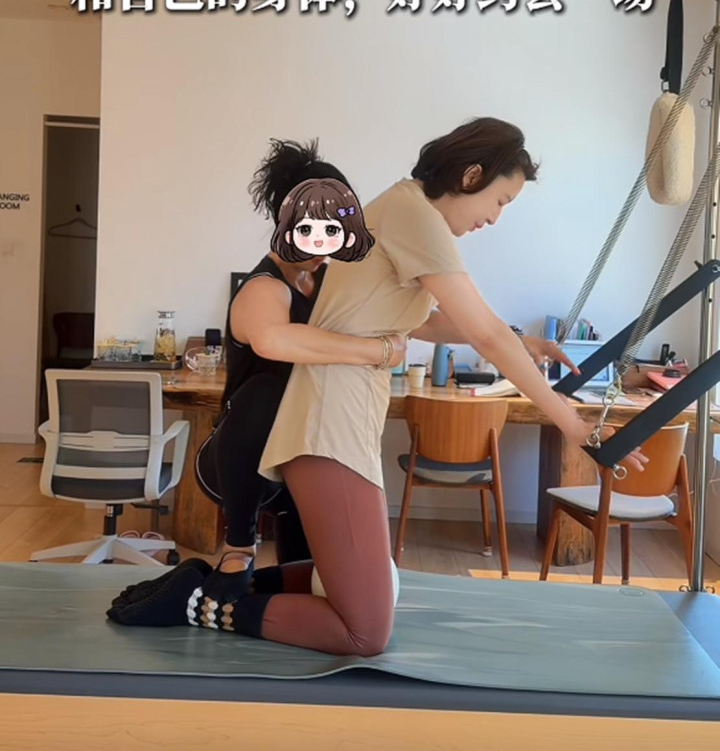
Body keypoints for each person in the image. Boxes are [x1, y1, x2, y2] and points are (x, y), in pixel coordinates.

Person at [178, 117, 647, 654]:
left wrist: (524, 343)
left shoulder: (403, 214)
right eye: (500, 201)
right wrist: (572, 423)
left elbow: (429, 322)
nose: (496, 217)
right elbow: (485, 334)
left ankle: (211, 588)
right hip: (329, 422)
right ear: (471, 175)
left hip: (342, 419)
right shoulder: (412, 214)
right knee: (365, 631)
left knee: (367, 591)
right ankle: (198, 604)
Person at [108, 140, 405, 626]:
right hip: (243, 463)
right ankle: (236, 551)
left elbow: (401, 310)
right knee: (267, 392)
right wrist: (381, 351)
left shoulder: (329, 284)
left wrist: (500, 338)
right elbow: (272, 340)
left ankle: (198, 588)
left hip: (303, 456)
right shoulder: (262, 289)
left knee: (328, 588)